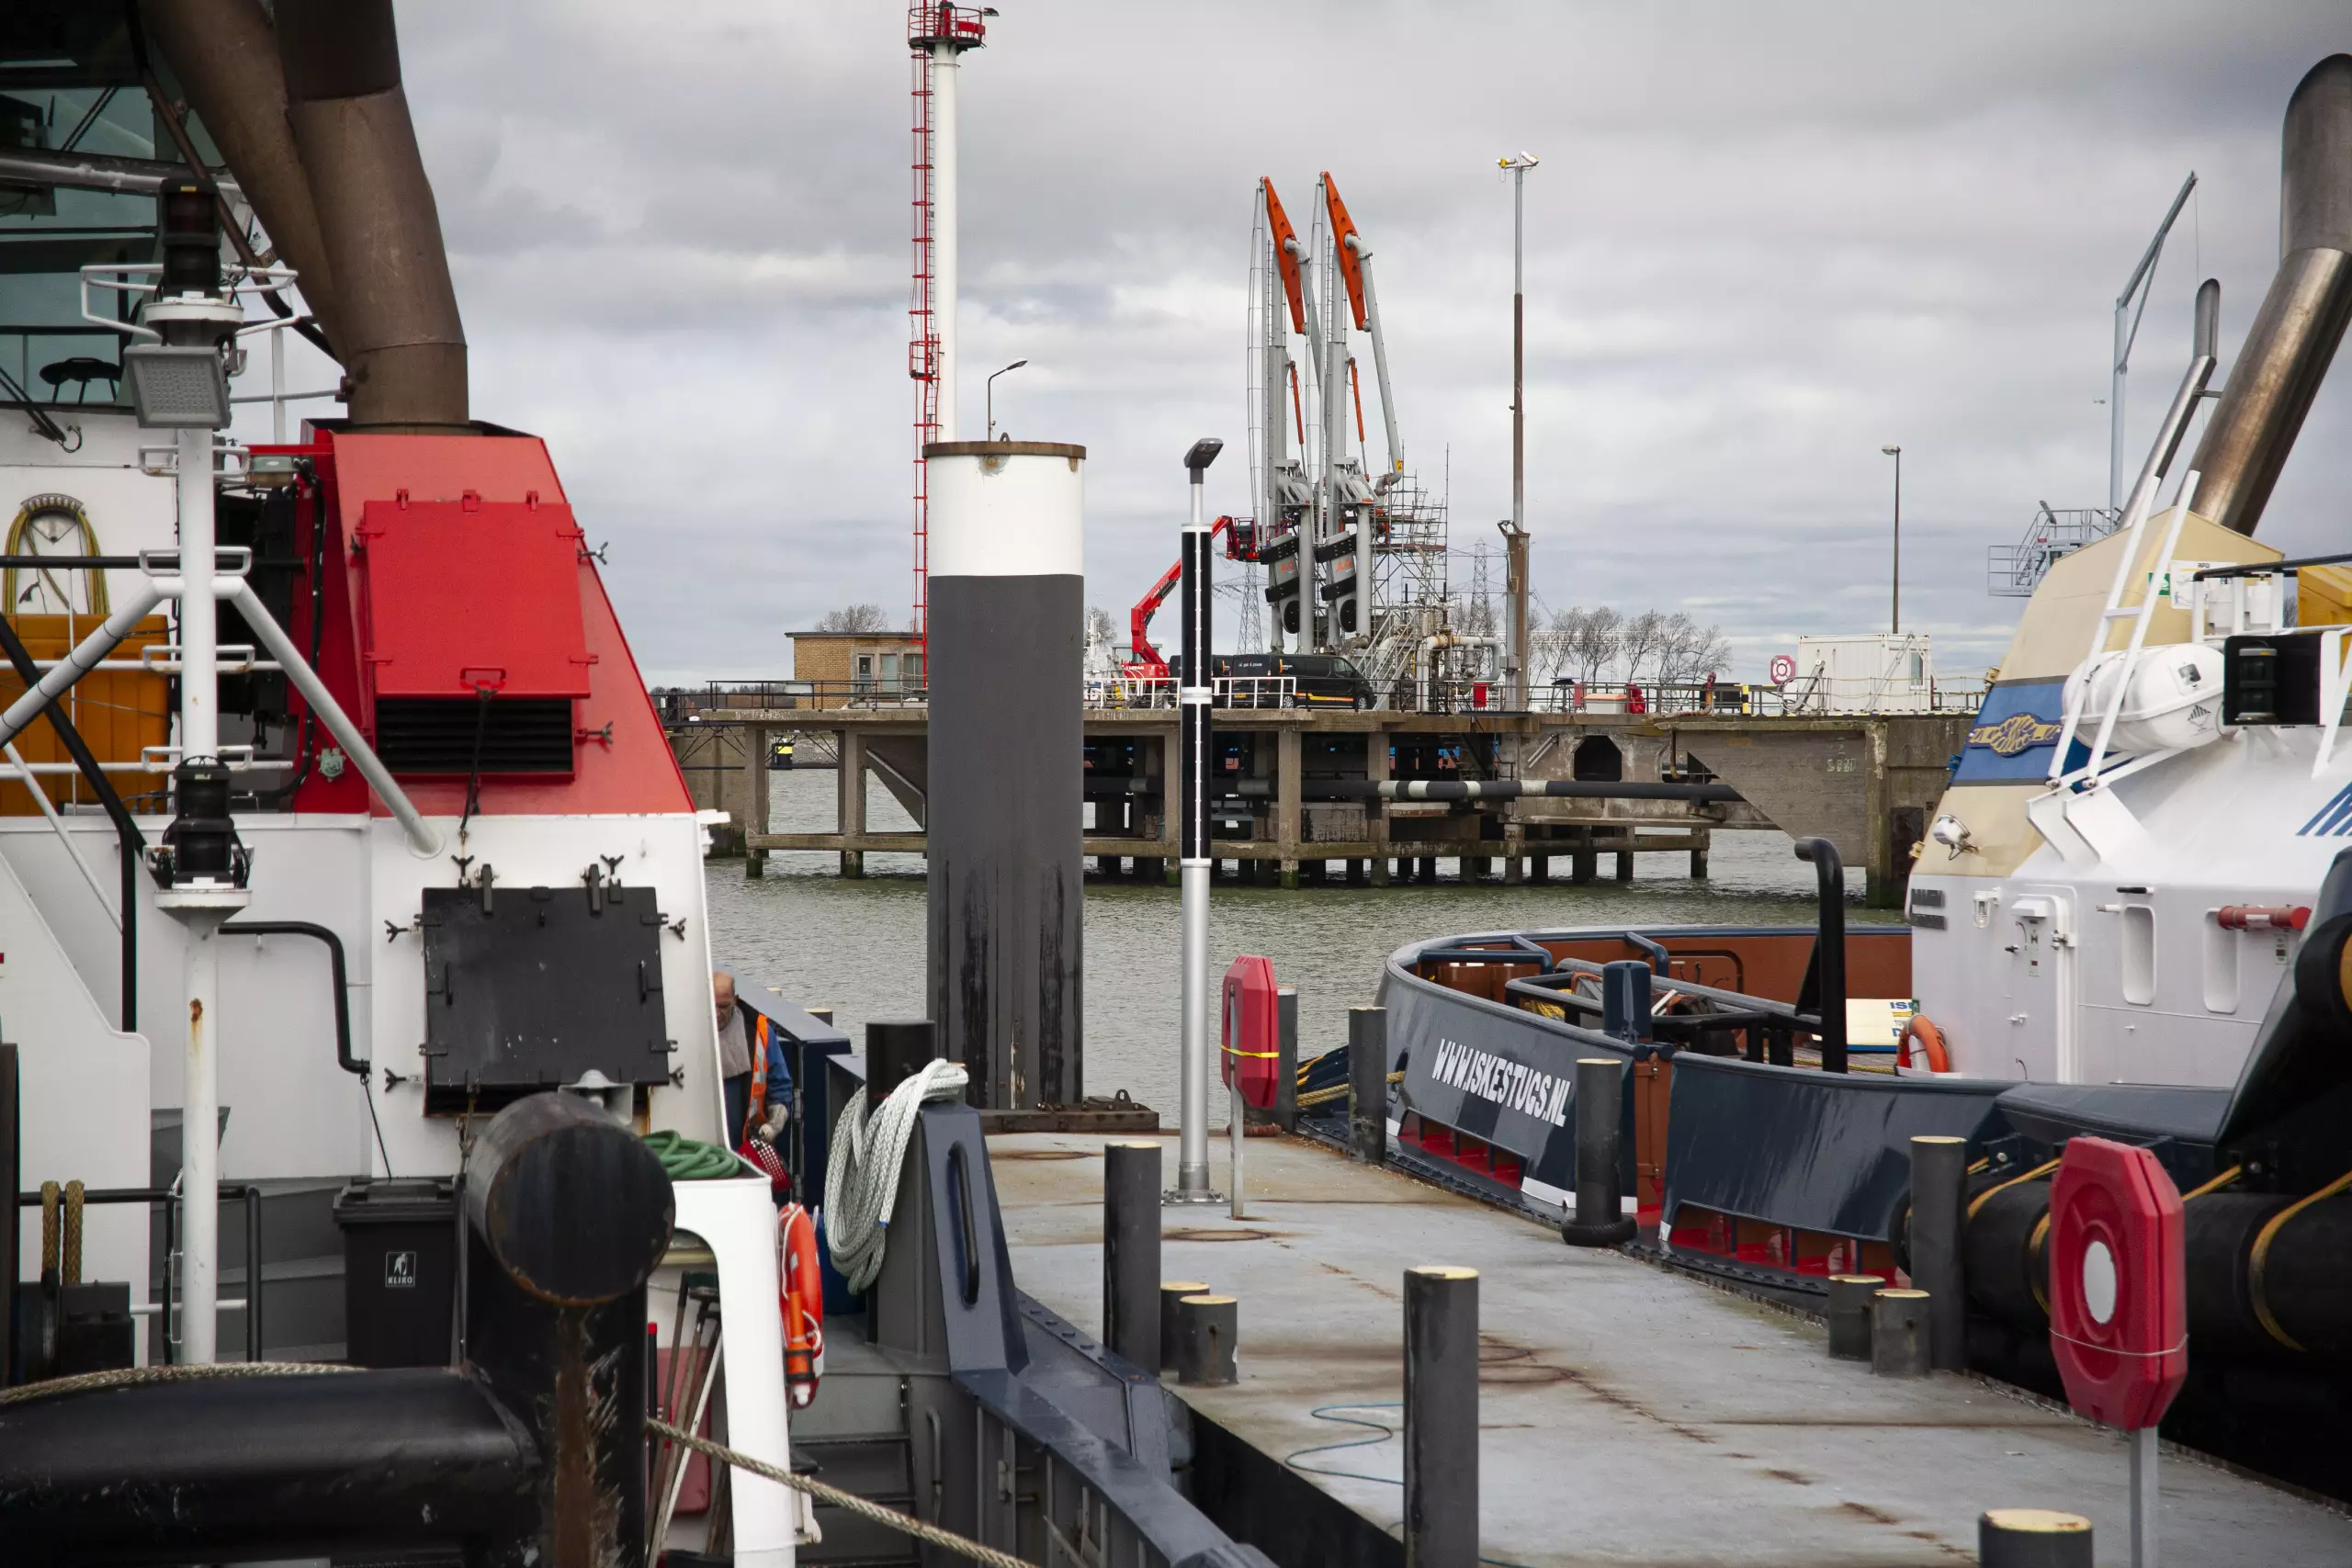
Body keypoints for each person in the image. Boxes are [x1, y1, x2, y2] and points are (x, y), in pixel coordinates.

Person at [715, 969, 793, 1149]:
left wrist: (773, 1125)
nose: (718, 1013)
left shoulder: (759, 1033)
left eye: (724, 1006)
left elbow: (780, 1087)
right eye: (713, 1006)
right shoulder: (687, 1031)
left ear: (735, 1000)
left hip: (748, 1146)